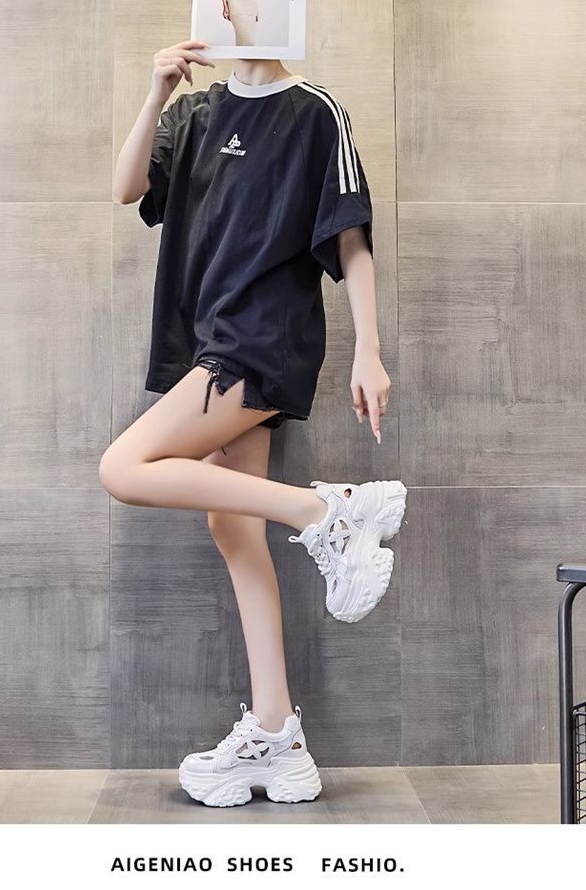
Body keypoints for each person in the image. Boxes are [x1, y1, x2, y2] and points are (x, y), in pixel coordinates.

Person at [101, 39, 407, 808]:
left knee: (122, 467)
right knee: (233, 528)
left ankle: (325, 512)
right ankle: (278, 736)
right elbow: (127, 187)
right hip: (208, 341)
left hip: (262, 341)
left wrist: (369, 349)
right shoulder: (193, 112)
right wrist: (155, 90)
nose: (237, 0)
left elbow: (351, 236)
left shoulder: (316, 111)